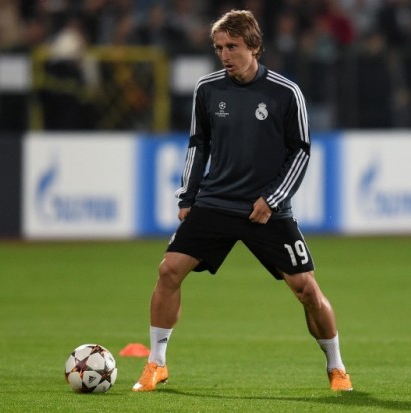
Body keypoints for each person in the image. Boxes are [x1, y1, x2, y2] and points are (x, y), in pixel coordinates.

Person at [132, 9, 353, 393]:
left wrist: (273, 199)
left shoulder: (285, 92)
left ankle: (336, 367)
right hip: (215, 201)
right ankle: (156, 363)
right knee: (169, 271)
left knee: (306, 289)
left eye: (232, 47)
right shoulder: (207, 89)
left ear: (254, 46)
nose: (224, 55)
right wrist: (188, 196)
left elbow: (300, 152)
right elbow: (198, 145)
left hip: (266, 210)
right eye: (218, 47)